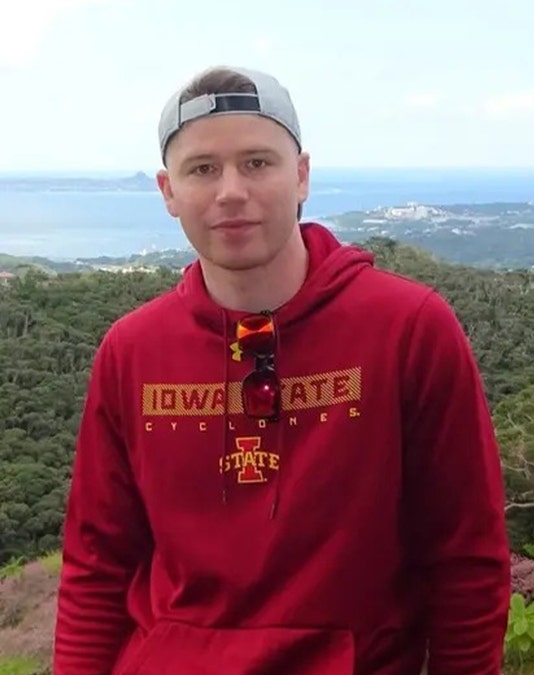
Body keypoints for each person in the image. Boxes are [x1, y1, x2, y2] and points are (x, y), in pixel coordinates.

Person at [53, 65, 511, 675]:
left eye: (257, 163)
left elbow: (466, 561)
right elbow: (97, 564)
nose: (230, 191)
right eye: (203, 169)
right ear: (168, 192)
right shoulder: (132, 351)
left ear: (301, 177)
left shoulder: (407, 329)